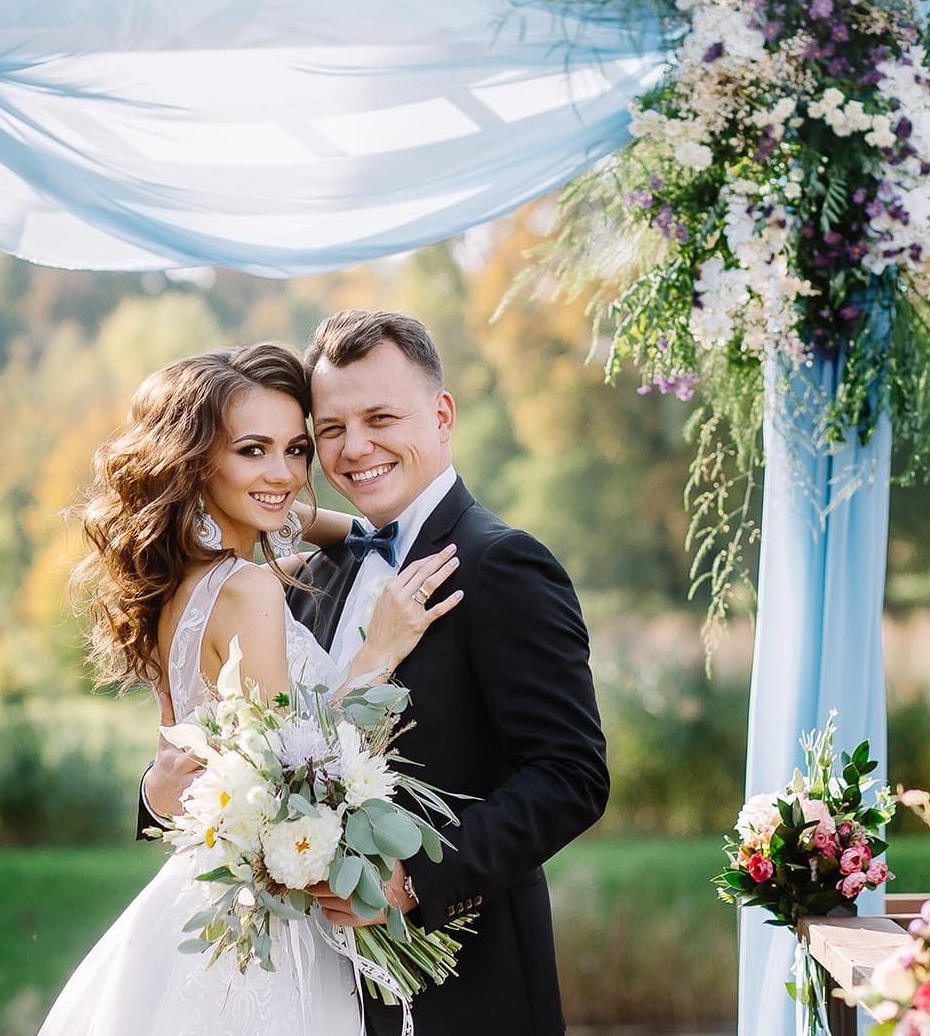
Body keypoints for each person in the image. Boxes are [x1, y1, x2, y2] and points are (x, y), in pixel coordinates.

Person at [145, 310, 608, 1036]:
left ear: (443, 414)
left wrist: (412, 881)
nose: (354, 447)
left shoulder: (503, 565)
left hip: (467, 989)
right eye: (328, 430)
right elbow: (258, 749)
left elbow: (571, 775)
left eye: (381, 417)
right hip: (311, 983)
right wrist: (157, 793)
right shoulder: (310, 575)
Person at [43, 343, 463, 1036]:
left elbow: (291, 513)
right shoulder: (250, 587)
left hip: (204, 897)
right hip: (269, 924)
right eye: (253, 450)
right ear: (198, 459)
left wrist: (353, 528)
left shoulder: (181, 579)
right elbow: (296, 765)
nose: (285, 473)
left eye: (298, 448)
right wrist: (379, 649)